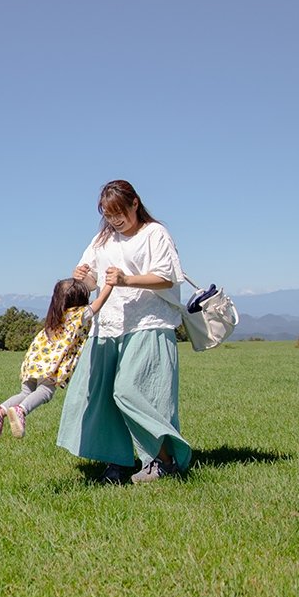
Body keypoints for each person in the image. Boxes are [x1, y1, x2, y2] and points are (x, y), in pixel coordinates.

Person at [55, 179, 194, 484]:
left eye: (119, 212)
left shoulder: (154, 234)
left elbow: (166, 278)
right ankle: (116, 463)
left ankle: (164, 461)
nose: (115, 220)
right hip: (107, 325)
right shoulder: (103, 240)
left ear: (135, 203)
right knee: (100, 397)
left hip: (147, 323)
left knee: (132, 392)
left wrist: (126, 280)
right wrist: (84, 278)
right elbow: (93, 284)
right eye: (108, 214)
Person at [0, 277, 112, 440]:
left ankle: (0, 411)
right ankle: (21, 410)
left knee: (26, 391)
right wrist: (111, 283)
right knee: (46, 391)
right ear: (81, 297)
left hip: (34, 359)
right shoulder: (79, 314)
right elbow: (100, 301)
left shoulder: (56, 314)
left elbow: (70, 291)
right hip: (51, 363)